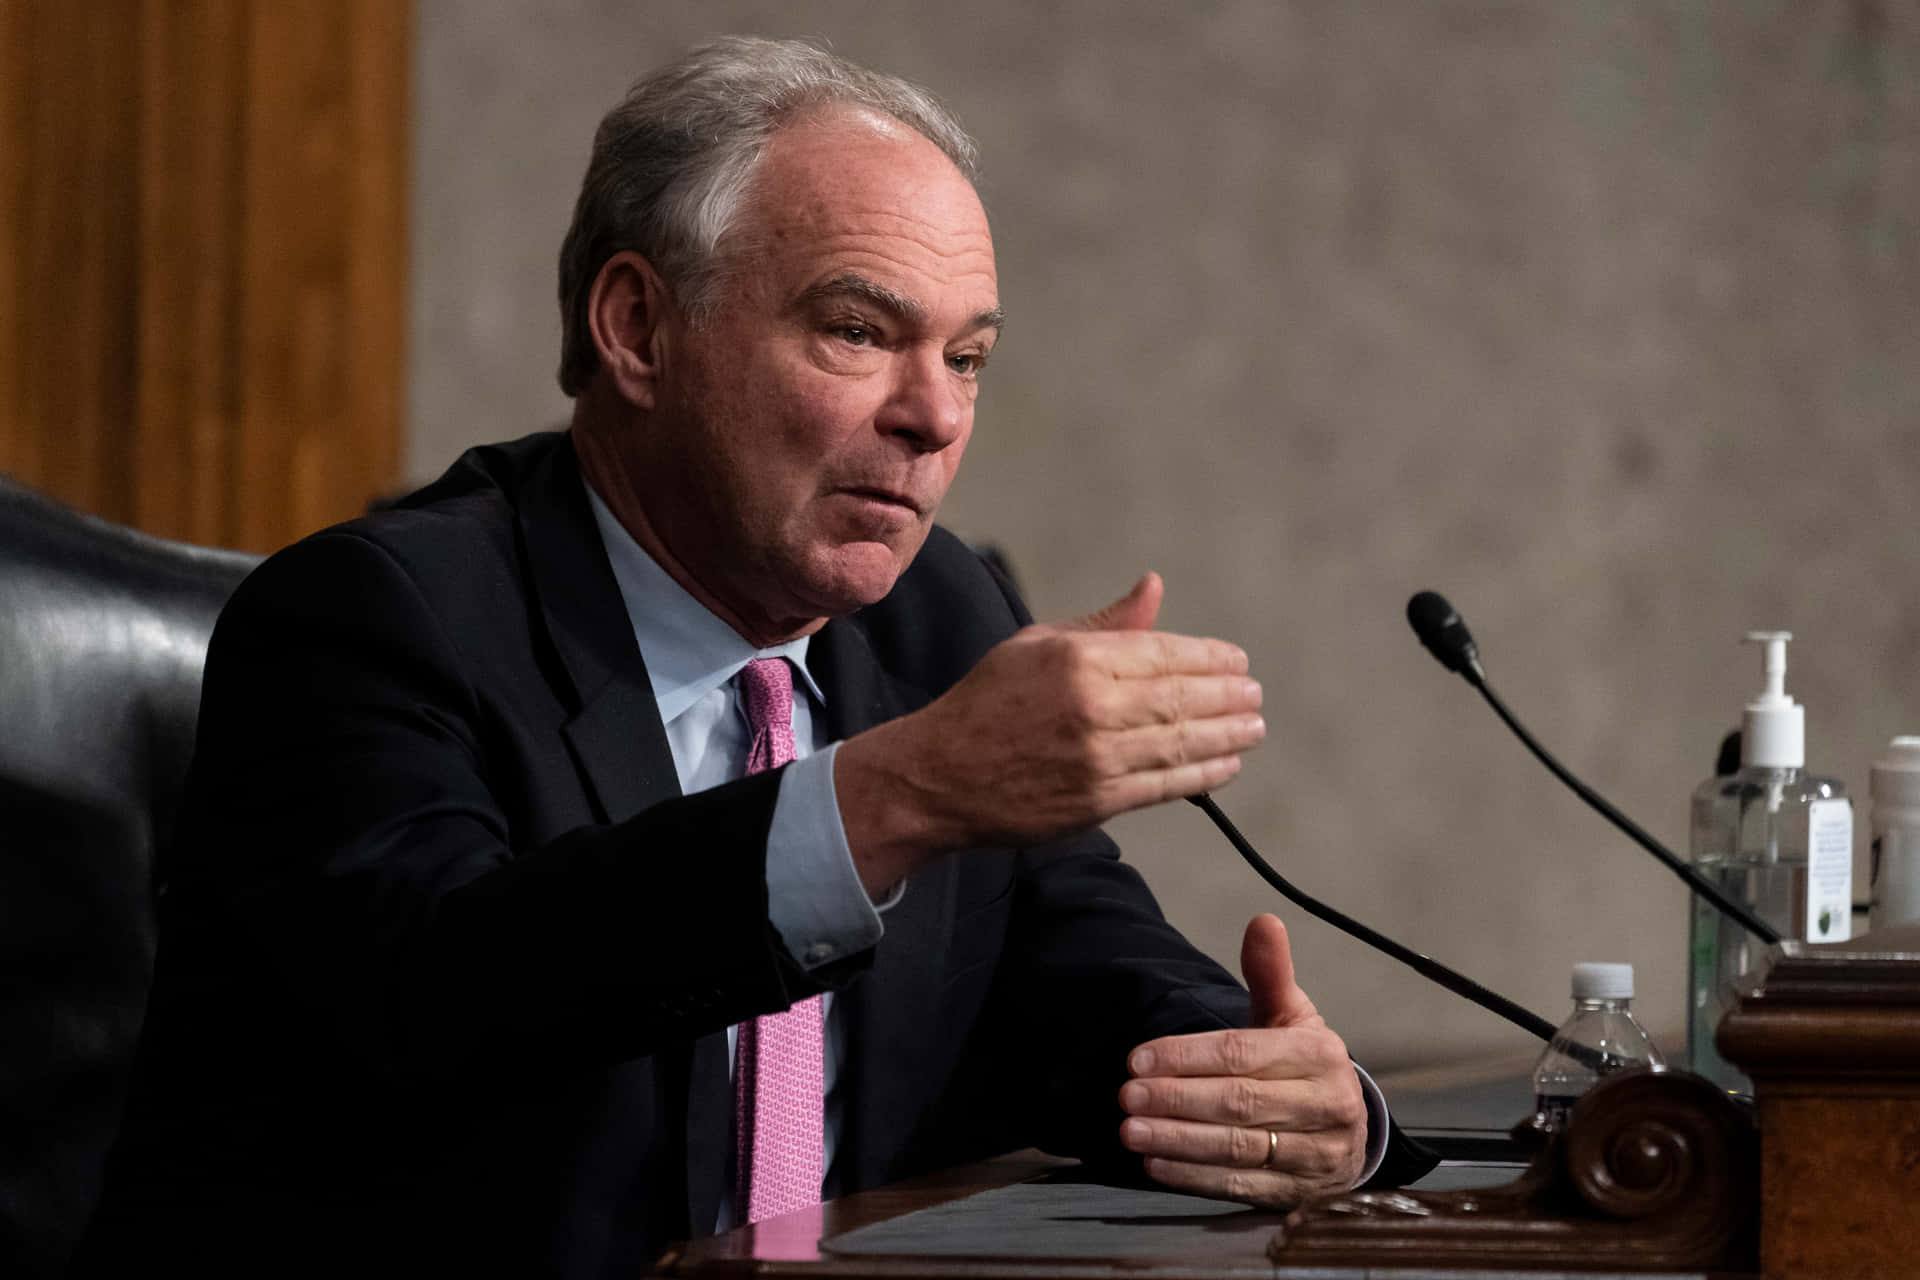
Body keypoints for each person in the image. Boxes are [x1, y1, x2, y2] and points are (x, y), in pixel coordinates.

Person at [83, 36, 1431, 1278]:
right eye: (859, 332)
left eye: (968, 357)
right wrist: (890, 800)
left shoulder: (934, 620)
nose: (934, 417)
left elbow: (1085, 978)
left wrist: (1294, 1105)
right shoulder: (378, 620)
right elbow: (445, 994)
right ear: (639, 330)